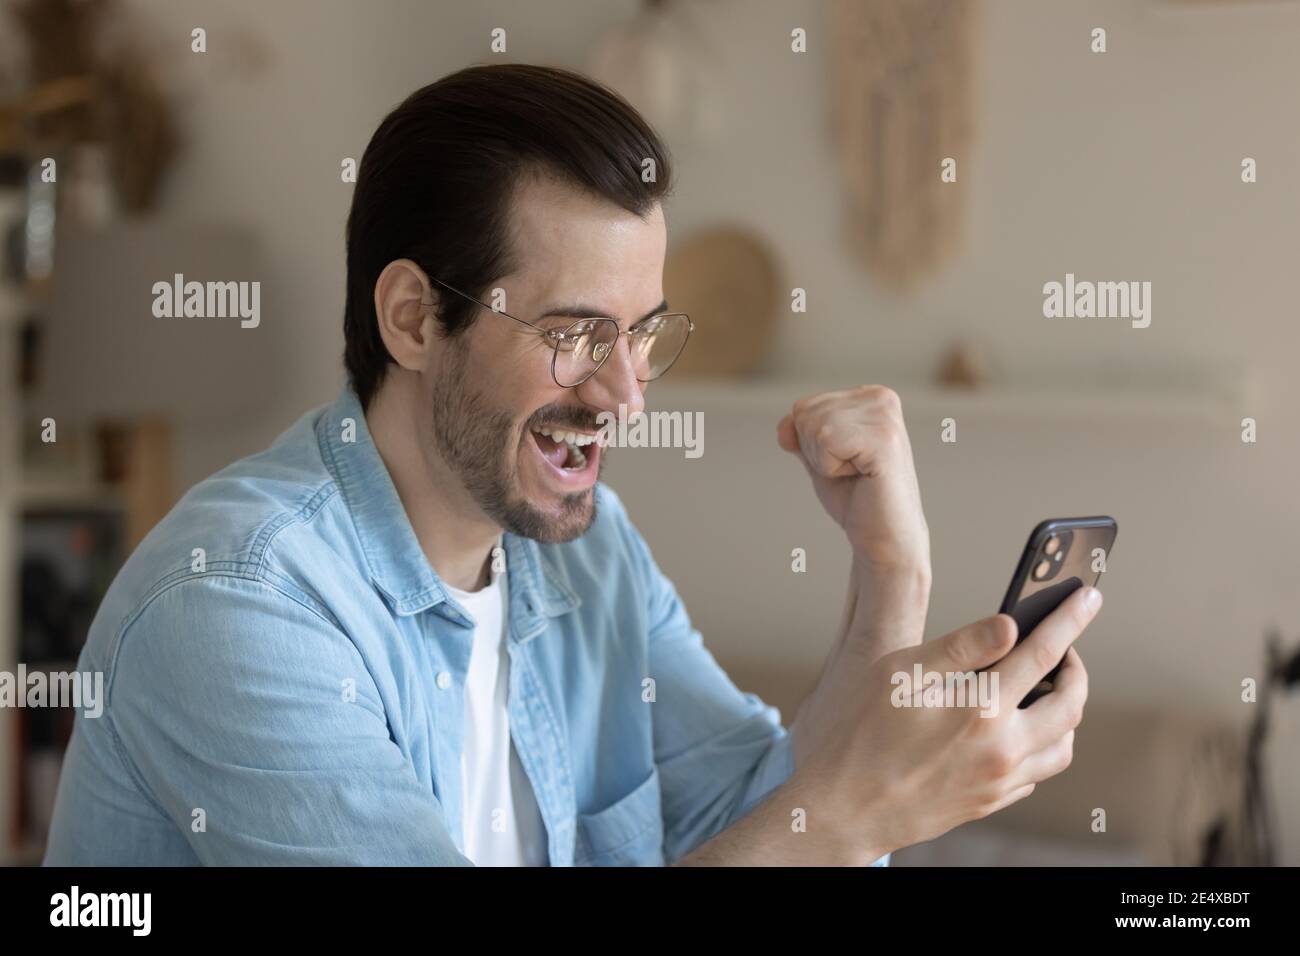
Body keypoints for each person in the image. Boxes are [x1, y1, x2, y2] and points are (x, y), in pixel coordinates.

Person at [44, 64, 1098, 866]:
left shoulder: (587, 556)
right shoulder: (235, 602)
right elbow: (816, 822)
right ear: (414, 319)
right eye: (576, 332)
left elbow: (752, 812)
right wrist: (859, 810)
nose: (626, 394)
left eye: (642, 332)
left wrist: (889, 578)